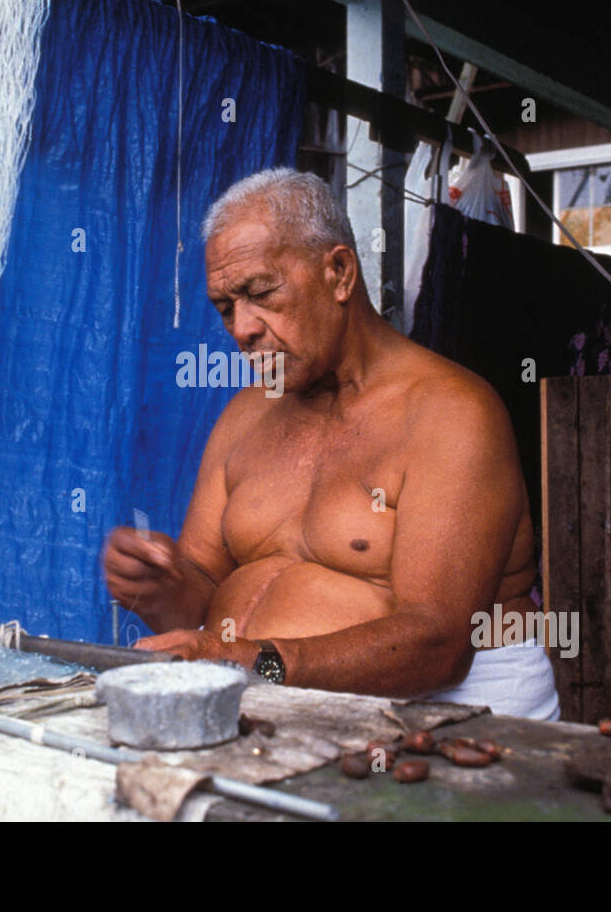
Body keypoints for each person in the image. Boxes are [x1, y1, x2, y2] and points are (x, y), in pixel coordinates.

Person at [101, 167, 559, 719]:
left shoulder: (451, 413)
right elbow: (198, 595)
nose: (241, 328)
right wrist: (159, 584)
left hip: (453, 717)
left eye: (261, 292)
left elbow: (438, 645)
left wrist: (247, 660)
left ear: (339, 273)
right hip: (275, 708)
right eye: (225, 307)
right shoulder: (246, 414)